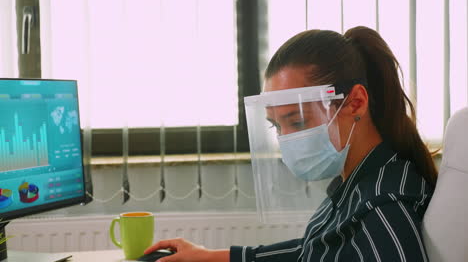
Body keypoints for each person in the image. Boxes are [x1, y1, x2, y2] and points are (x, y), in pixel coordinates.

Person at [144, 26, 437, 262]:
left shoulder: (382, 206)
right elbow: (316, 251)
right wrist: (210, 257)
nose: (286, 141)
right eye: (276, 126)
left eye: (297, 122)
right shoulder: (358, 182)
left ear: (355, 103)